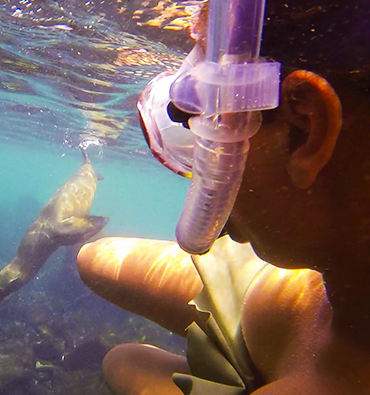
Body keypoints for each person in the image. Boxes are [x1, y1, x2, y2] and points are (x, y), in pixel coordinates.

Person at [76, 0, 370, 393]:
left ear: (307, 123)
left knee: (125, 363)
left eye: (215, 126)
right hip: (309, 297)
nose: (218, 226)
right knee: (94, 261)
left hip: (314, 340)